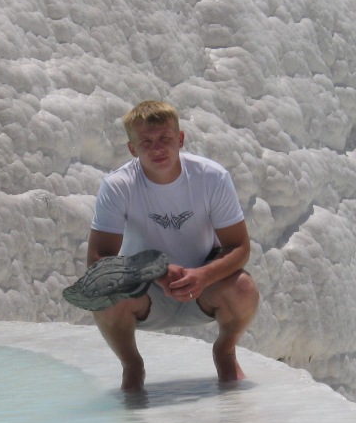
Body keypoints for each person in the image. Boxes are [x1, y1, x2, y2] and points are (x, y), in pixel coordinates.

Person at [82, 100, 259, 390]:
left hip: (204, 287)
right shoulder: (118, 186)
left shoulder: (211, 178)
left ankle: (225, 351)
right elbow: (98, 259)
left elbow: (239, 247)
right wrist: (156, 272)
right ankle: (132, 365)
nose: (157, 148)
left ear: (180, 139)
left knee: (244, 288)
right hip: (145, 292)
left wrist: (203, 275)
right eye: (146, 142)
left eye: (165, 138)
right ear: (132, 149)